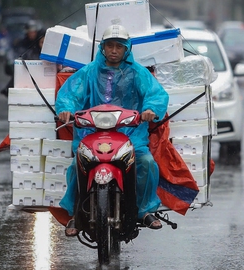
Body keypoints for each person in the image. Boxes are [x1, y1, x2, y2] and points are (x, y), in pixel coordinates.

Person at [56, 24, 169, 236]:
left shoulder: (138, 73)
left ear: (127, 49)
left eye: (119, 46)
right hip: (92, 134)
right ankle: (75, 214)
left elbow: (156, 94)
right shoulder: (89, 72)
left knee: (146, 163)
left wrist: (151, 109)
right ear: (102, 48)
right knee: (76, 166)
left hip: (131, 136)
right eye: (110, 46)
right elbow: (70, 94)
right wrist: (66, 110)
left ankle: (144, 211)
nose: (114, 50)